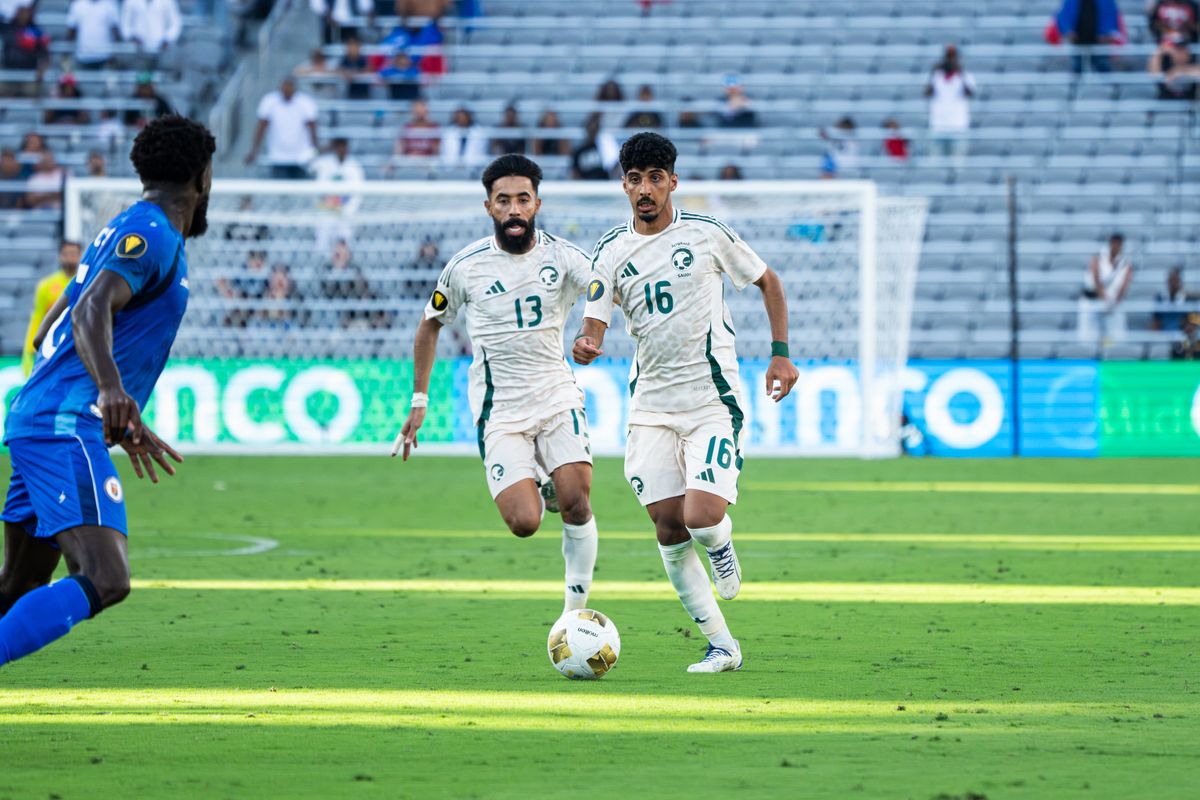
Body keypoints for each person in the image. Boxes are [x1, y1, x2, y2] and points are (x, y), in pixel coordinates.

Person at [572, 133, 799, 672]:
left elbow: (769, 282)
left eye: (655, 178)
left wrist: (781, 354)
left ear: (673, 181)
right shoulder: (610, 251)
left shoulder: (706, 234)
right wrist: (587, 343)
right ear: (623, 185)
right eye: (634, 179)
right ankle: (723, 645)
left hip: (710, 399)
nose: (645, 189)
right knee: (668, 526)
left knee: (701, 516)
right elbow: (595, 321)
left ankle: (720, 545)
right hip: (650, 405)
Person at [0, 115, 215, 668]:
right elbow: (91, 309)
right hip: (63, 423)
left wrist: (110, 405)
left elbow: (56, 322)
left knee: (17, 586)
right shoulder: (153, 236)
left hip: (44, 417)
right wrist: (110, 391)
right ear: (201, 177)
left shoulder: (125, 228)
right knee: (106, 577)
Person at [395, 154, 600, 614]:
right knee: (524, 523)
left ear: (537, 204)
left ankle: (574, 615)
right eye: (503, 200)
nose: (514, 209)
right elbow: (429, 324)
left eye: (522, 199)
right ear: (488, 207)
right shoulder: (466, 267)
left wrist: (591, 332)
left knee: (576, 503)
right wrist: (419, 400)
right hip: (500, 410)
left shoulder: (564, 256)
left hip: (555, 394)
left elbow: (604, 291)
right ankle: (540, 484)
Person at [20, 241, 81, 376]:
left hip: (78, 346)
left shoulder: (87, 283)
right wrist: (29, 351)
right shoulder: (46, 286)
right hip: (53, 348)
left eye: (74, 254)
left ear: (80, 256)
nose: (70, 258)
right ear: (60, 256)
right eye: (66, 254)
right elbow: (37, 318)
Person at [245, 78, 320, 179]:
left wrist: (314, 150)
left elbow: (312, 129)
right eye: (284, 90)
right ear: (280, 89)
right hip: (278, 156)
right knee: (280, 191)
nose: (286, 93)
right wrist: (254, 151)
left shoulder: (305, 102)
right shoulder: (269, 101)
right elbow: (261, 129)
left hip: (301, 157)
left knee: (300, 191)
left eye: (289, 90)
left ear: (294, 89)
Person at [310, 137, 365, 252]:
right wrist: (320, 151)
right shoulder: (324, 163)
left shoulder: (355, 167)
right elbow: (307, 164)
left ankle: (344, 263)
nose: (341, 149)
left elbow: (357, 194)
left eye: (343, 146)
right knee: (322, 236)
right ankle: (322, 262)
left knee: (345, 236)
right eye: (338, 146)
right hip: (325, 210)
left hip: (346, 212)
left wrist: (343, 207)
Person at [1078, 232, 1133, 345]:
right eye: (1114, 243)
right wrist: (1105, 298)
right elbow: (1096, 278)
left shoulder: (1125, 262)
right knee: (1087, 338)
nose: (1116, 246)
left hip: (1113, 303)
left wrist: (1113, 301)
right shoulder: (1098, 257)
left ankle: (1113, 358)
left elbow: (1124, 285)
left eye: (1119, 244)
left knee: (1115, 337)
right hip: (1091, 300)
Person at [925, 45, 975, 165]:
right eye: (948, 56)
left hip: (958, 125)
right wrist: (933, 73)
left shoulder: (965, 75)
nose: (950, 60)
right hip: (938, 125)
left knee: (958, 162)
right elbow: (927, 93)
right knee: (935, 163)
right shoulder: (937, 76)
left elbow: (969, 92)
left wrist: (960, 73)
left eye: (953, 56)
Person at [1057, 0, 1122, 73]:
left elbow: (1111, 14)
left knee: (1103, 66)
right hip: (1078, 40)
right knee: (1077, 68)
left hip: (1099, 41)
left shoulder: (1106, 1)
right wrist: (1068, 31)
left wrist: (1106, 32)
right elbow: (1063, 15)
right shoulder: (1070, 1)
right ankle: (1074, 83)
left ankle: (1111, 83)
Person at [1, 5, 49, 97]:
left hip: (29, 75)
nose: (23, 15)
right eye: (20, 12)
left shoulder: (36, 31)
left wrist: (42, 70)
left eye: (25, 13)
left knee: (33, 93)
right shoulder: (7, 29)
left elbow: (45, 54)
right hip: (9, 73)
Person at [120, 0, 182, 71]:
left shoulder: (168, 1)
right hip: (137, 51)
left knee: (160, 77)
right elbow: (125, 24)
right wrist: (132, 38)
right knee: (140, 78)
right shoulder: (130, 1)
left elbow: (175, 23)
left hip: (162, 51)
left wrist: (168, 39)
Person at [66, 0, 121, 70]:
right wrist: (65, 53)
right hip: (83, 56)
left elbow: (116, 33)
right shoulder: (77, 5)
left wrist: (116, 54)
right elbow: (71, 31)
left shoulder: (110, 5)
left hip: (105, 57)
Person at [570, 112, 618, 180]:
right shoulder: (579, 151)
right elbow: (575, 172)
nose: (593, 131)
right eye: (591, 128)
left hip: (604, 184)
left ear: (598, 130)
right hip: (586, 186)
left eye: (595, 128)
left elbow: (614, 166)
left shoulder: (606, 148)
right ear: (587, 129)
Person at [1152, 266, 1195, 331]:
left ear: (1180, 282)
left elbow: (1193, 321)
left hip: (1182, 336)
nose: (1173, 283)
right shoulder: (1159, 298)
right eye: (1171, 280)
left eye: (1176, 280)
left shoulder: (1188, 299)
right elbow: (1156, 321)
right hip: (1164, 335)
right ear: (1167, 281)